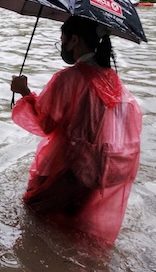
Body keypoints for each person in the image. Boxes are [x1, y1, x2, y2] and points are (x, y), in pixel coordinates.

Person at [10, 16, 142, 246]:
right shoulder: (115, 83)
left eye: (61, 40)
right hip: (100, 172)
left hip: (66, 170)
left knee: (36, 224)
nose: (60, 45)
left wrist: (24, 92)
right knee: (76, 234)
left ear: (73, 40)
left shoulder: (67, 78)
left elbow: (46, 124)